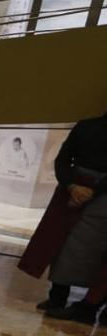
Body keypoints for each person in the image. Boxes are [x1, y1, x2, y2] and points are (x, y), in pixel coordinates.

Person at [17, 111, 107, 323]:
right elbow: (63, 159)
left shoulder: (85, 126)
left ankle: (86, 305)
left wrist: (80, 188)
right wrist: (73, 185)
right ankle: (57, 297)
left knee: (89, 249)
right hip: (78, 190)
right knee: (59, 244)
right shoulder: (86, 126)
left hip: (95, 195)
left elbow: (63, 160)